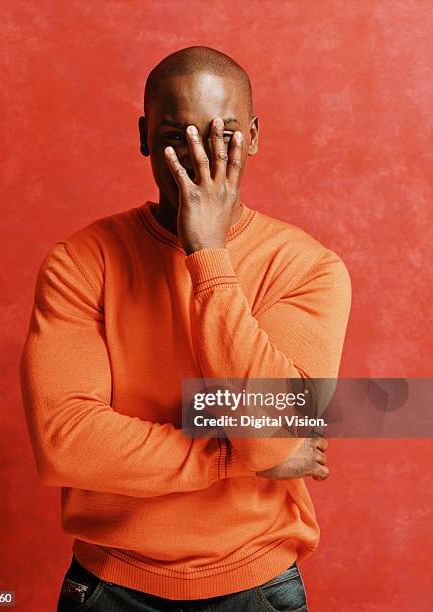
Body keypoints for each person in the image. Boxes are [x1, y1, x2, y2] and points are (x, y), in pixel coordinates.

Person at [19, 45, 351, 611]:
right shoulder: (80, 261)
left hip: (258, 587)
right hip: (108, 588)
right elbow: (66, 442)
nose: (199, 160)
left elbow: (270, 428)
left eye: (221, 136)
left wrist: (208, 254)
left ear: (252, 136)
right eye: (176, 135)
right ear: (145, 136)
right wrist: (231, 455)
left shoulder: (309, 267)